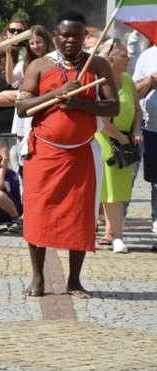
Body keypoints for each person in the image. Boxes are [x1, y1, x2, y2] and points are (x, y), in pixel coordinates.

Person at [16, 10, 119, 298]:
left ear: (85, 36)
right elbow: (22, 107)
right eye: (64, 35)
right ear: (55, 36)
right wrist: (56, 93)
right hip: (44, 154)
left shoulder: (97, 64)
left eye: (76, 35)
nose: (70, 40)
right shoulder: (38, 65)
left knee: (80, 216)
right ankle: (38, 279)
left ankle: (74, 281)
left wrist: (79, 105)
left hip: (81, 155)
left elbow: (113, 107)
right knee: (37, 216)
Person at [93, 39, 144, 253]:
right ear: (111, 59)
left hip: (124, 143)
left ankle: (116, 235)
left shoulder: (128, 80)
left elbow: (138, 110)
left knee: (118, 191)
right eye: (124, 56)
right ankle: (105, 235)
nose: (128, 59)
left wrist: (135, 131)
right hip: (103, 141)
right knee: (103, 190)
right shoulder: (99, 82)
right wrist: (118, 136)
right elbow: (97, 116)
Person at [11, 25, 55, 177]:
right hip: (26, 109)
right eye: (32, 43)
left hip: (46, 109)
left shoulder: (54, 61)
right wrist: (7, 53)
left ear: (46, 41)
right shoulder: (24, 64)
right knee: (24, 151)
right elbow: (12, 81)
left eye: (39, 42)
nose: (35, 46)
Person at [132, 38, 157, 251]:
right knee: (154, 183)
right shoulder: (147, 57)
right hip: (150, 130)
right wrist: (149, 81)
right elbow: (133, 94)